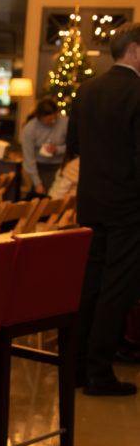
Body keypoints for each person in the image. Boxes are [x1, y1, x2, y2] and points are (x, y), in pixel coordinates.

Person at [67, 21, 140, 397]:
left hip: (91, 201)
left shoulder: (87, 90)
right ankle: (99, 373)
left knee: (90, 284)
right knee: (117, 288)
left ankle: (77, 368)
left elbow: (74, 145)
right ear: (136, 50)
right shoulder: (137, 92)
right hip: (129, 206)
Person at [20, 98, 68, 196]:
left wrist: (57, 149)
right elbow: (29, 158)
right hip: (40, 167)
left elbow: (73, 145)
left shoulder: (65, 122)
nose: (53, 122)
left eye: (55, 118)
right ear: (40, 117)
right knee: (43, 195)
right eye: (50, 119)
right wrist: (37, 183)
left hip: (62, 166)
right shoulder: (30, 129)